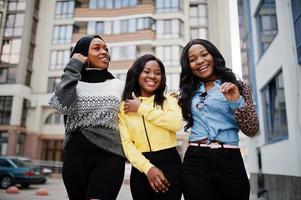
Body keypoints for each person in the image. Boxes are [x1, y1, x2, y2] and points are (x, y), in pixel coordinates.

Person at [178, 39, 259, 200]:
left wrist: (236, 100)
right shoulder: (189, 92)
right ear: (189, 66)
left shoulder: (239, 87)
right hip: (195, 160)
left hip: (230, 159)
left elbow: (252, 129)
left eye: (204, 55)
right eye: (192, 60)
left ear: (213, 56)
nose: (199, 61)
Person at [49, 35, 125, 200]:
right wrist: (74, 66)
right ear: (82, 54)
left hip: (110, 156)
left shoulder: (118, 85)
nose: (104, 52)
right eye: (97, 48)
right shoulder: (71, 84)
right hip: (76, 157)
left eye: (106, 48)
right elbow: (61, 106)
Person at [118, 54, 183, 200]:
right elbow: (126, 144)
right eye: (147, 71)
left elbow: (176, 123)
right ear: (137, 73)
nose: (152, 76)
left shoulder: (170, 100)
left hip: (171, 164)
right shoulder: (123, 108)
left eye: (158, 73)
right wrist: (148, 168)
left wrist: (141, 108)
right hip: (141, 167)